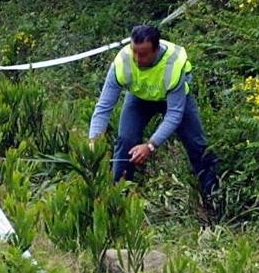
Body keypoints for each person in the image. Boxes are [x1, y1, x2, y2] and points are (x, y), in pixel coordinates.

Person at [88, 24, 219, 211]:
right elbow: (103, 107)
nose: (137, 58)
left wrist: (150, 145)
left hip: (174, 100)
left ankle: (213, 200)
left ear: (156, 50)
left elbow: (174, 114)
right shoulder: (122, 62)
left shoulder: (173, 64)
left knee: (197, 146)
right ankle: (117, 203)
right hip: (139, 99)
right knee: (126, 141)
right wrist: (94, 140)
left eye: (143, 54)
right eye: (134, 51)